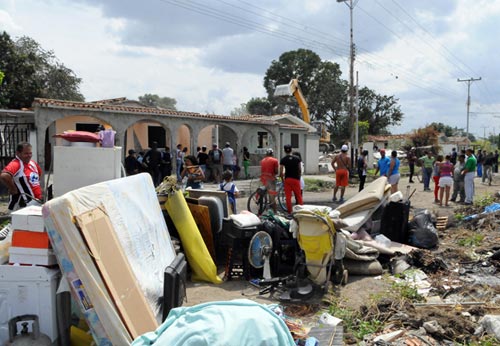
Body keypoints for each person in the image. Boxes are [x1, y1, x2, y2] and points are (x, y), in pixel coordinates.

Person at [0, 142, 43, 211]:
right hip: (22, 206)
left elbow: (38, 176)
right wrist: (13, 188)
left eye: (30, 153)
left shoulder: (33, 163)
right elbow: (4, 175)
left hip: (36, 202)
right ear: (18, 153)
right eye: (26, 153)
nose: (29, 155)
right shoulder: (16, 164)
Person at [280, 144, 303, 213]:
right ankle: (301, 211)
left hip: (288, 179)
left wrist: (283, 180)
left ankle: (289, 211)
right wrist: (298, 178)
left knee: (288, 197)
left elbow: (281, 172)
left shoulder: (283, 160)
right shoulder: (297, 158)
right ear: (291, 150)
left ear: (284, 151)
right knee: (298, 196)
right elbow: (299, 169)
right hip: (296, 179)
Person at [260, 148, 279, 212]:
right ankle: (275, 212)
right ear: (272, 154)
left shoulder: (262, 160)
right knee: (272, 196)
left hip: (263, 179)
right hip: (271, 179)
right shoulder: (275, 160)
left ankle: (266, 207)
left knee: (265, 192)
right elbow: (276, 171)